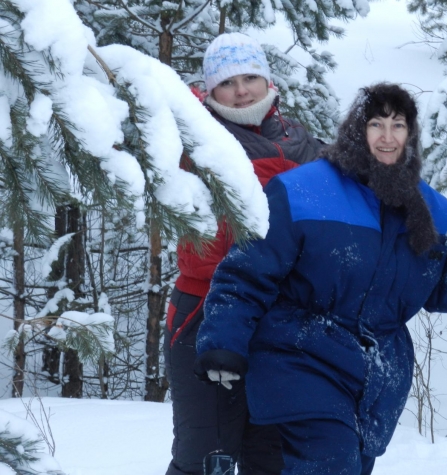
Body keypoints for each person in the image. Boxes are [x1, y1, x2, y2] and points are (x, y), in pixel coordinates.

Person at [193, 83, 447, 474]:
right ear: (357, 130)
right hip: (297, 356)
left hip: (376, 378)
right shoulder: (302, 191)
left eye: (398, 125)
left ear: (411, 134)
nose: (387, 136)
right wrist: (224, 341)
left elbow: (442, 287)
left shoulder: (432, 210)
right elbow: (246, 273)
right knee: (330, 460)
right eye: (376, 124)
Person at [164, 32, 323, 475]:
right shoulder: (191, 137)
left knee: (273, 454)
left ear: (267, 80)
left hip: (281, 315)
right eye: (227, 82)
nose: (241, 90)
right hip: (205, 307)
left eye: (250, 76)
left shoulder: (299, 140)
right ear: (209, 90)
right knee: (205, 456)